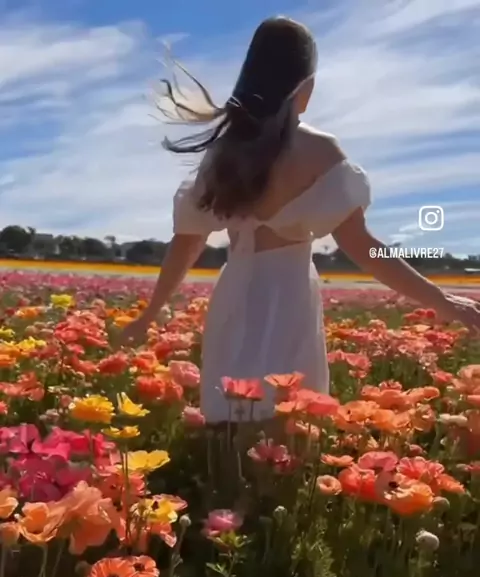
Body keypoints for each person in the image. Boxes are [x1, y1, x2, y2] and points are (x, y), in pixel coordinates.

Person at [120, 16, 480, 422]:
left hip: (233, 297)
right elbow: (365, 249)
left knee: (230, 417)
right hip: (289, 299)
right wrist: (441, 300)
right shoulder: (319, 151)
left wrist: (149, 314)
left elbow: (187, 243)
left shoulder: (224, 152)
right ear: (304, 88)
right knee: (287, 417)